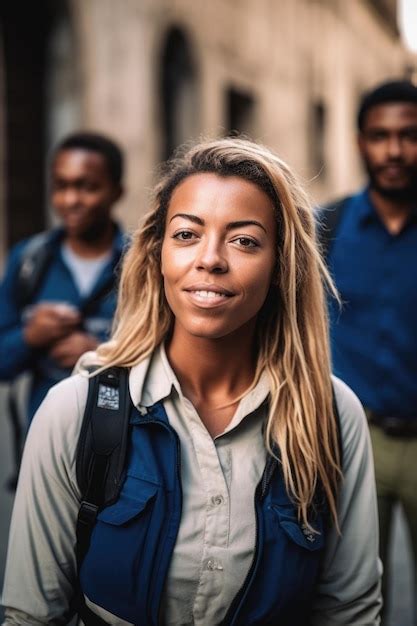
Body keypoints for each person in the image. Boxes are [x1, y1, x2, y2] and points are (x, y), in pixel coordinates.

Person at [2, 138, 381, 625]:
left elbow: (349, 611)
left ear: (282, 264)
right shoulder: (76, 409)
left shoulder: (330, 412)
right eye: (187, 235)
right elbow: (31, 616)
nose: (210, 259)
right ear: (158, 252)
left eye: (244, 240)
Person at [323, 80, 417, 618]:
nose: (395, 151)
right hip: (354, 441)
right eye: (380, 136)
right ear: (360, 142)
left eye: (408, 135)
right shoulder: (327, 230)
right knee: (352, 599)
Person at [0, 131, 126, 424]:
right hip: (42, 445)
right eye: (61, 186)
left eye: (87, 187)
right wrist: (29, 336)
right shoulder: (28, 261)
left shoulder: (142, 263)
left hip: (121, 446)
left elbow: (175, 359)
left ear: (116, 192)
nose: (71, 200)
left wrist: (102, 354)